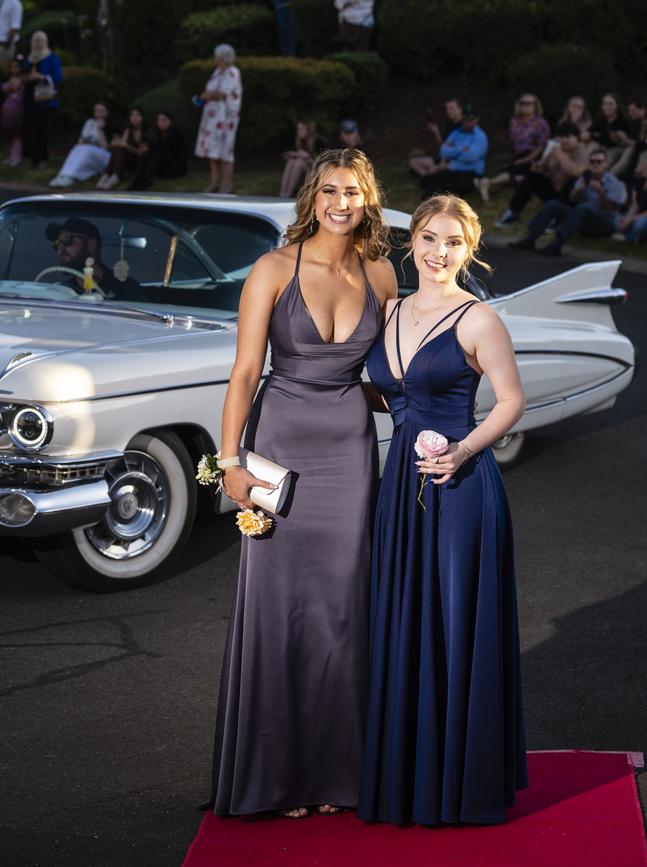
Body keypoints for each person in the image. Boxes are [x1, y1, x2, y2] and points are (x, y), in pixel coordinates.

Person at [203, 148, 397, 818]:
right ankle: (278, 777)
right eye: (332, 191)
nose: (343, 204)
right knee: (280, 609)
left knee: (342, 610)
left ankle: (337, 775)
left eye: (355, 193)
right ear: (312, 197)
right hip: (280, 443)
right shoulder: (272, 269)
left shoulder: (381, 273)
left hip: (348, 449)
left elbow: (387, 375)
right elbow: (244, 372)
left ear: (368, 201)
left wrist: (438, 407)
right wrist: (230, 461)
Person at [358, 193, 527, 825]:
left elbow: (511, 401)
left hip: (458, 486)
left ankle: (461, 783)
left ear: (469, 248)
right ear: (412, 241)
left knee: (454, 624)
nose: (437, 252)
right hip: (401, 481)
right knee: (406, 617)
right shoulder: (392, 308)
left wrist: (461, 451)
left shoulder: (477, 318)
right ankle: (408, 772)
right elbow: (387, 391)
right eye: (428, 238)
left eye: (451, 242)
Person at [508, 148, 627, 255]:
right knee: (552, 204)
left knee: (582, 209)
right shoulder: (585, 177)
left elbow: (610, 208)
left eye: (599, 162)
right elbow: (573, 199)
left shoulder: (614, 183)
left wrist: (600, 192)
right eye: (592, 162)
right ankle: (530, 239)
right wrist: (579, 190)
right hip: (582, 219)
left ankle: (556, 246)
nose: (595, 164)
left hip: (604, 222)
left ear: (606, 164)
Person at [495, 121, 588, 227]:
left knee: (572, 182)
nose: (565, 140)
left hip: (570, 198)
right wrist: (539, 168)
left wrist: (560, 154)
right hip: (553, 192)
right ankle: (513, 211)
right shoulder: (556, 150)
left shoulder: (582, 152)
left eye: (568, 137)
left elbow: (575, 173)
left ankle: (557, 218)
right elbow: (544, 167)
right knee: (531, 177)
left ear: (576, 137)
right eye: (562, 137)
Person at [44, 217, 145, 301]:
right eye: (56, 245)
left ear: (91, 244)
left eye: (66, 239)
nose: (60, 249)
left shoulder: (126, 290)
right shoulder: (61, 291)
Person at [475, 94, 550, 201]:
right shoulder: (514, 121)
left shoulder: (541, 123)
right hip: (518, 155)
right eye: (522, 103)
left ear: (535, 106)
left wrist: (527, 159)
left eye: (529, 103)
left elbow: (541, 146)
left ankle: (488, 182)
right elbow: (512, 142)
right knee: (515, 171)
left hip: (534, 156)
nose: (525, 105)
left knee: (516, 170)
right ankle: (490, 186)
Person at [194, 43, 242, 194]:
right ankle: (215, 181)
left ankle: (227, 184)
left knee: (225, 150)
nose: (215, 59)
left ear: (223, 57)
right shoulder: (217, 71)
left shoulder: (232, 72)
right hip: (212, 117)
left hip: (226, 118)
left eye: (217, 56)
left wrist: (207, 95)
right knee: (213, 149)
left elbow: (223, 93)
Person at [420, 104, 488, 197]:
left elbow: (470, 157)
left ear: (477, 119)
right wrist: (461, 150)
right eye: (465, 119)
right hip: (453, 170)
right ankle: (439, 193)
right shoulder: (456, 133)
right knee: (426, 180)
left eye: (470, 119)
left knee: (455, 189)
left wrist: (452, 152)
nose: (467, 122)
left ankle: (440, 194)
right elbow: (443, 151)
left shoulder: (480, 136)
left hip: (471, 172)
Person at [21, 30, 62, 169]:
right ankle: (30, 158)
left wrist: (41, 77)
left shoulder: (51, 57)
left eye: (41, 40)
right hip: (29, 98)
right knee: (29, 128)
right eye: (36, 40)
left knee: (41, 129)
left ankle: (42, 159)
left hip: (43, 99)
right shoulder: (30, 58)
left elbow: (58, 77)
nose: (38, 43)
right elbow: (23, 73)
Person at [49, 102, 111, 188]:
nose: (98, 113)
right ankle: (62, 175)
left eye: (101, 111)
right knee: (77, 148)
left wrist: (100, 129)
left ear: (107, 112)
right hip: (87, 148)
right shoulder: (90, 122)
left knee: (87, 150)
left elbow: (106, 147)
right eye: (96, 110)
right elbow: (82, 138)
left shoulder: (109, 125)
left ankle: (71, 176)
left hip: (104, 155)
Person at [128, 111, 186, 191]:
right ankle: (138, 180)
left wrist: (147, 148)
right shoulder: (158, 132)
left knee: (157, 151)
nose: (161, 123)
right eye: (159, 120)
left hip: (175, 168)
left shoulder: (175, 132)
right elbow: (150, 144)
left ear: (170, 121)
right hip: (162, 168)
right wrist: (145, 148)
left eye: (164, 120)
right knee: (148, 153)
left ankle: (145, 182)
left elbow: (163, 145)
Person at [409, 97, 463, 178]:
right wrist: (436, 131)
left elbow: (461, 151)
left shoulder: (465, 126)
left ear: (460, 109)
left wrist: (443, 162)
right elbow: (443, 145)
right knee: (413, 162)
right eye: (447, 109)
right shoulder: (449, 125)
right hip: (442, 158)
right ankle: (428, 177)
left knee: (433, 169)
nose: (448, 112)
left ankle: (430, 177)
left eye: (451, 108)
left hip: (453, 161)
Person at [97, 107, 148, 189]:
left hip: (140, 162)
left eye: (137, 115)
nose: (134, 118)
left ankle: (115, 176)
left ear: (142, 117)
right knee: (119, 149)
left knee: (121, 149)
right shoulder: (128, 130)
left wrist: (126, 146)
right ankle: (108, 175)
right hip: (128, 159)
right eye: (132, 116)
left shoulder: (147, 131)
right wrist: (118, 143)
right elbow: (122, 144)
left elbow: (141, 152)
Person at [278, 120, 326, 197]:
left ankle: (288, 193)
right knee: (291, 161)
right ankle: (283, 192)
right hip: (303, 171)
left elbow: (323, 165)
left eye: (301, 129)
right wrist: (295, 155)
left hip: (316, 173)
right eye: (298, 129)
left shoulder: (319, 141)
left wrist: (307, 158)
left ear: (309, 130)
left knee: (299, 163)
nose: (298, 131)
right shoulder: (300, 141)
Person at [591, 93, 635, 177]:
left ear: (617, 106)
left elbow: (614, 141)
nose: (607, 106)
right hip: (603, 146)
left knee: (604, 160)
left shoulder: (623, 121)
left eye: (610, 104)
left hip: (617, 148)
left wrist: (598, 136)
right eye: (605, 104)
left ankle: (606, 179)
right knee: (593, 147)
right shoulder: (601, 119)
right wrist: (598, 137)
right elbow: (589, 133)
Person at [614, 152, 647, 243]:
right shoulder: (640, 181)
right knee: (617, 220)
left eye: (640, 163)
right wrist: (627, 218)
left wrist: (631, 219)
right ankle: (635, 236)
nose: (637, 165)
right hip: (640, 215)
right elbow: (635, 205)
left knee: (640, 224)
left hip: (646, 216)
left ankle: (629, 238)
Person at [1, 55, 23, 166]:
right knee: (10, 133)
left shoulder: (22, 80)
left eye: (17, 67)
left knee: (17, 133)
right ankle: (12, 155)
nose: (14, 69)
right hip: (8, 109)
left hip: (17, 109)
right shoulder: (9, 79)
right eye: (12, 67)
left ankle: (17, 157)